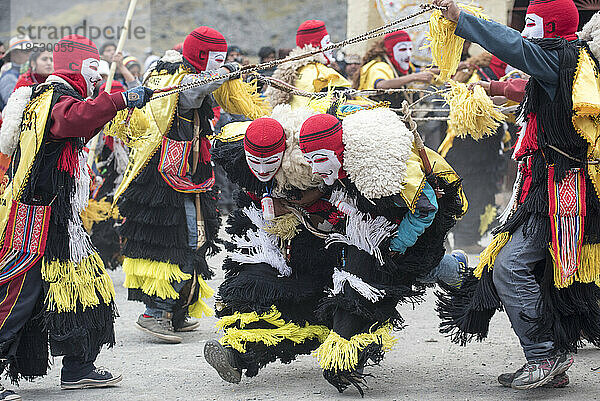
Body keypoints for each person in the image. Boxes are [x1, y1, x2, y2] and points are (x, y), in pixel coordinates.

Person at [433, 0, 600, 390]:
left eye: (531, 23)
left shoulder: (557, 56)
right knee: (538, 272)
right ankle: (553, 355)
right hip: (555, 185)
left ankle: (543, 355)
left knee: (509, 266)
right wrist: (489, 88)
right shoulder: (574, 57)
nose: (525, 31)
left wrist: (462, 18)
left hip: (558, 193)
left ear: (552, 27)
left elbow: (513, 47)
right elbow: (530, 84)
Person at [0, 33, 152, 400]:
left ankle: (79, 368)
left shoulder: (57, 97)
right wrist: (117, 98)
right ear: (74, 67)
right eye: (93, 69)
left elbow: (81, 127)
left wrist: (120, 104)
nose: (98, 77)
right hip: (34, 224)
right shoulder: (54, 99)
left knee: (86, 289)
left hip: (60, 222)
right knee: (19, 298)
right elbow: (71, 121)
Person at [297, 110, 467, 395]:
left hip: (409, 227)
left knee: (411, 273)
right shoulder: (338, 166)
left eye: (321, 159)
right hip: (371, 229)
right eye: (309, 161)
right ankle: (351, 359)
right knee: (363, 285)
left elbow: (425, 208)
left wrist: (397, 246)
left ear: (340, 150)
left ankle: (455, 268)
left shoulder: (383, 164)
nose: (315, 170)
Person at [116, 26, 255, 344]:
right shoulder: (176, 80)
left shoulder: (177, 72)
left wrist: (227, 70)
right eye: (214, 59)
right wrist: (229, 70)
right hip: (165, 178)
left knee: (196, 237)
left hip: (188, 175)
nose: (218, 64)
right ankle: (156, 312)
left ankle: (176, 312)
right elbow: (195, 90)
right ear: (200, 56)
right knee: (176, 239)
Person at [205, 110, 337, 383]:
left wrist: (293, 205)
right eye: (256, 162)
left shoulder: (306, 164)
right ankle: (235, 355)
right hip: (262, 234)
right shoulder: (237, 159)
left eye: (271, 162)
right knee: (252, 286)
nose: (263, 170)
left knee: (317, 297)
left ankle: (344, 354)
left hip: (313, 241)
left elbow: (331, 191)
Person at [265, 20, 350, 109]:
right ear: (316, 46)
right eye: (327, 42)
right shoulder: (323, 73)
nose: (331, 46)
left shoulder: (286, 70)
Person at [353, 30, 434, 107]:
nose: (408, 54)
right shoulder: (379, 66)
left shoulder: (400, 65)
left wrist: (441, 71)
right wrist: (414, 77)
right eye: (402, 49)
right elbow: (381, 85)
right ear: (390, 50)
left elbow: (417, 71)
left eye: (410, 49)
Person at [0, 35, 33, 110]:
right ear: (14, 54)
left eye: (30, 50)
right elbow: (13, 104)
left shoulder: (32, 73)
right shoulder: (9, 77)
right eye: (26, 51)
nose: (29, 54)